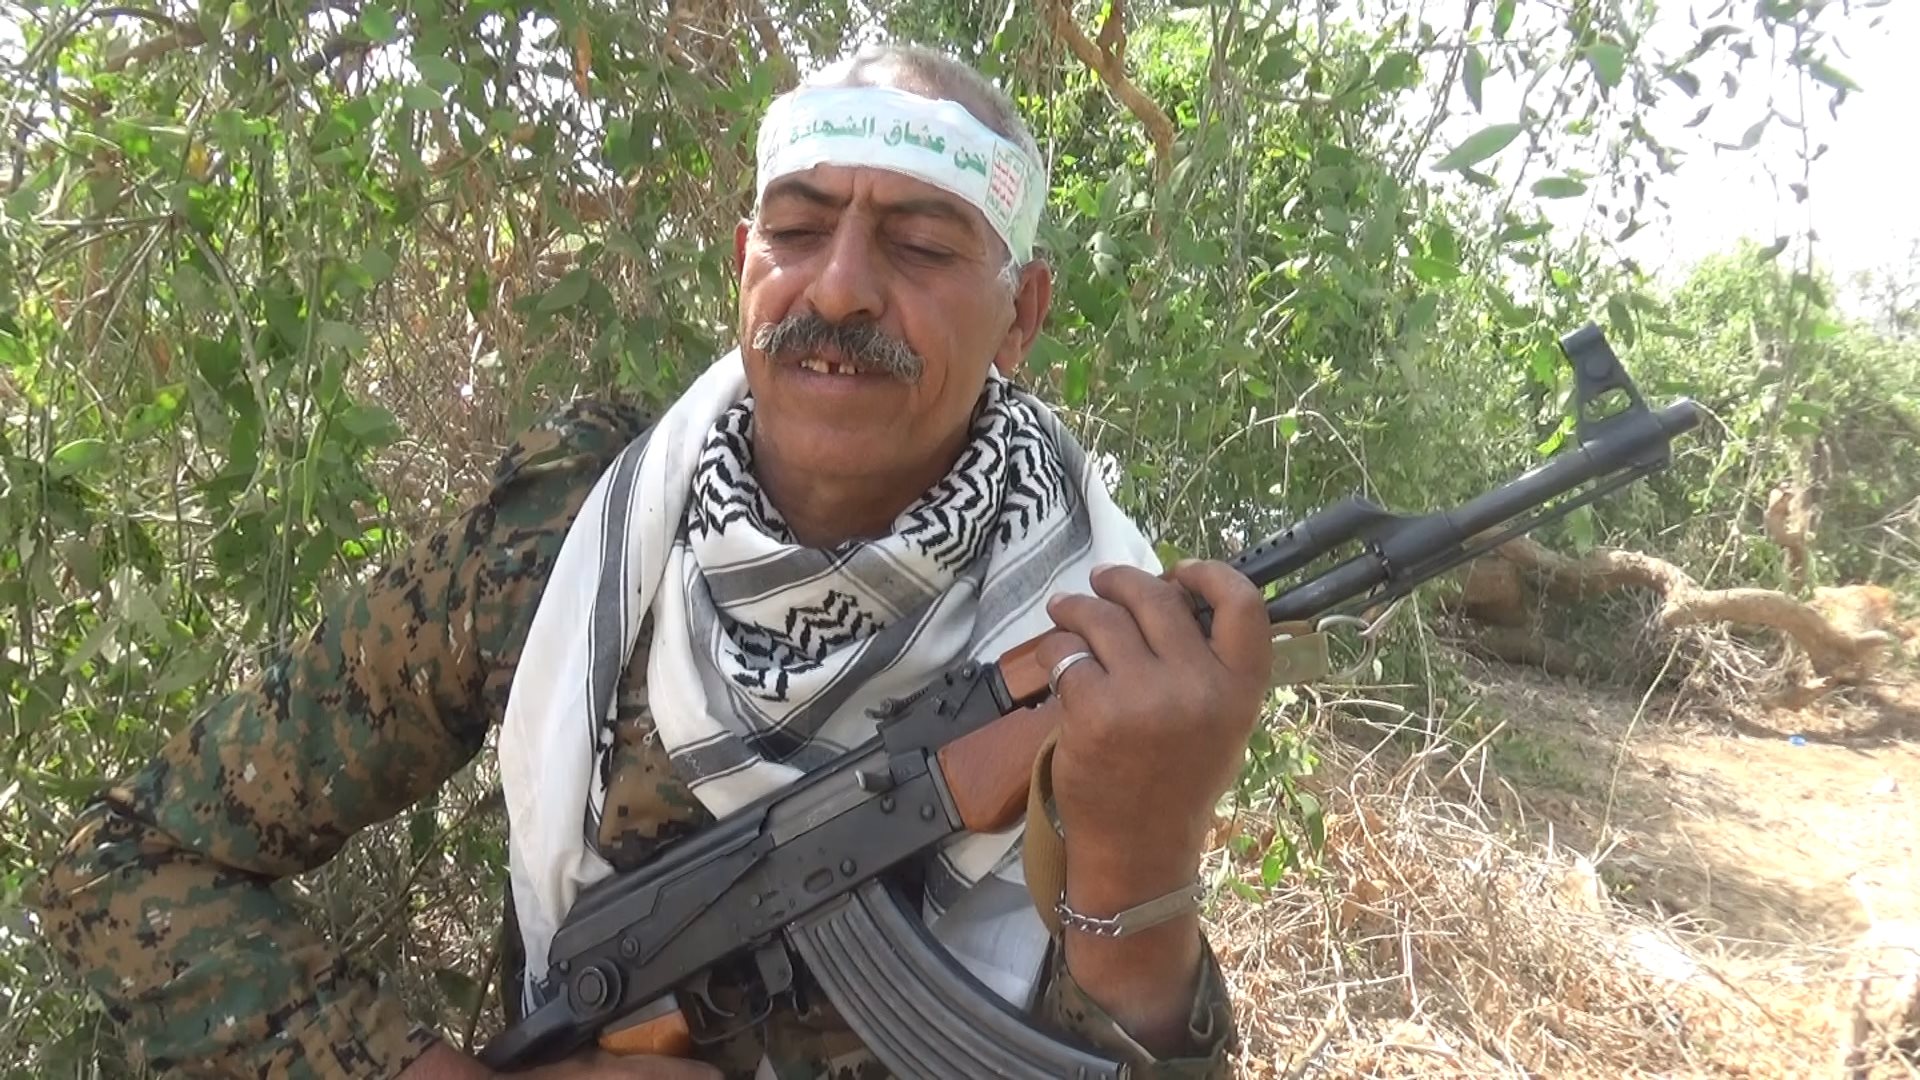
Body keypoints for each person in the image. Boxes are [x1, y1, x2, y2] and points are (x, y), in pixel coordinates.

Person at [37, 42, 1273, 1080]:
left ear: (1023, 315)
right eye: (798, 229)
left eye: (921, 245)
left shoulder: (1099, 637)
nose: (840, 288)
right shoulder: (571, 541)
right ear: (744, 263)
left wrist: (1140, 879)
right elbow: (127, 865)